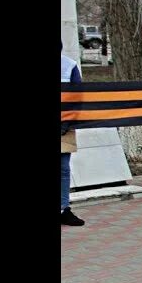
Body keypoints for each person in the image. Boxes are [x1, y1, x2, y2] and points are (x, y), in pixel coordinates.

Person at [61, 43, 85, 226]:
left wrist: (67, 122)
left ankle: (63, 209)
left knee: (63, 169)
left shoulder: (69, 66)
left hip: (64, 125)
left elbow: (78, 97)